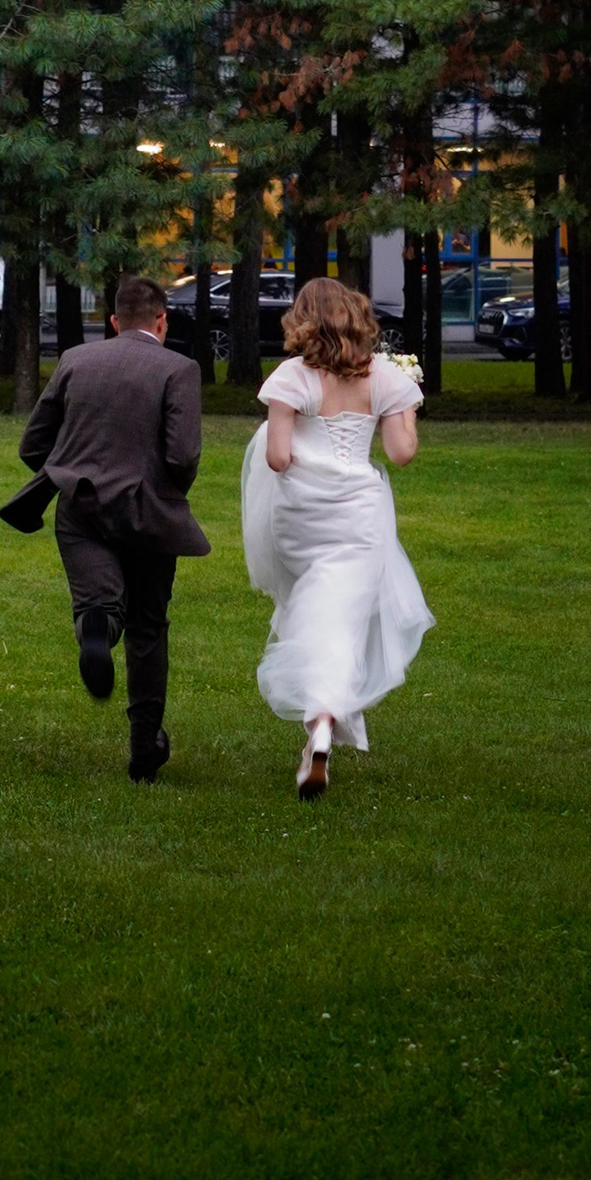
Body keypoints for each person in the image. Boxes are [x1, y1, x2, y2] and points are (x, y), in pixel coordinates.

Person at [13, 272, 209, 782]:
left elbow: (33, 445)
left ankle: (97, 626)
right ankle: (144, 748)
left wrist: (68, 468)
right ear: (162, 320)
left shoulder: (76, 359)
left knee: (99, 603)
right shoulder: (179, 369)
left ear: (114, 321)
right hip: (149, 512)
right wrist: (165, 491)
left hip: (80, 507)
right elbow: (183, 456)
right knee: (148, 626)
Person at [242, 276, 433, 800]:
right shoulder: (384, 378)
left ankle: (318, 733)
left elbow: (277, 458)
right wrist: (406, 409)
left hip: (301, 520)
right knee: (340, 618)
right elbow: (400, 453)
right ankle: (324, 722)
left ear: (302, 321)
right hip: (359, 519)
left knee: (315, 609)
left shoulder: (290, 377)